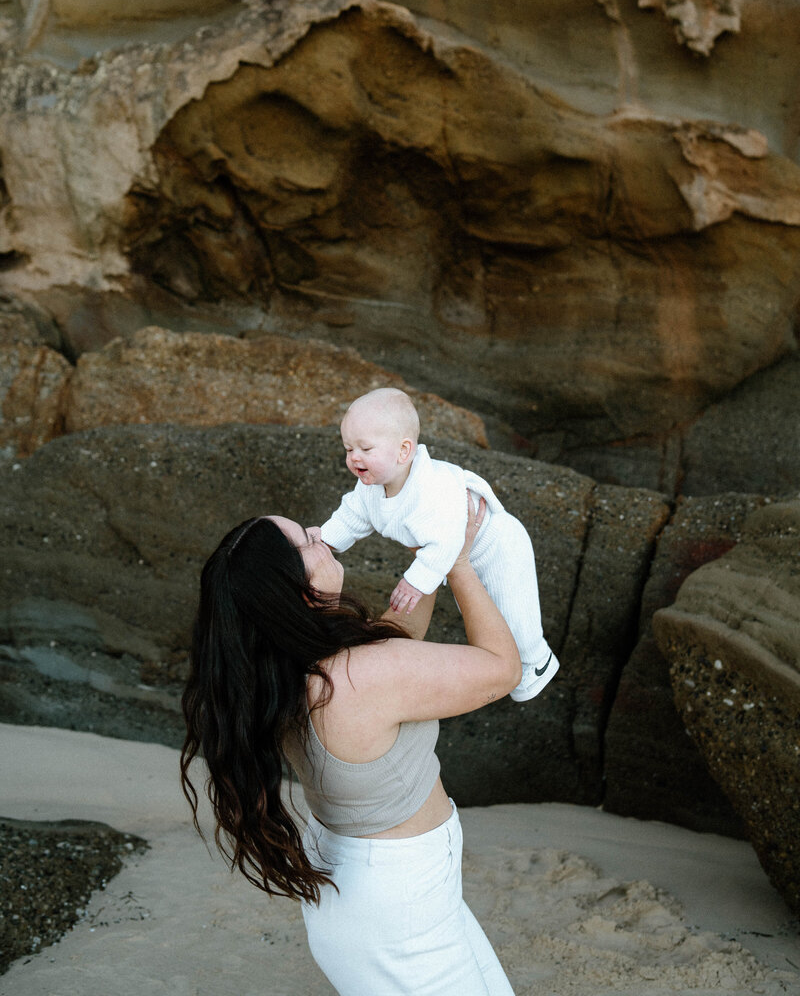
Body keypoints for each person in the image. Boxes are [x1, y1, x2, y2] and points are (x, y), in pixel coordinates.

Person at [181, 497, 519, 995]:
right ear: (289, 588)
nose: (318, 533)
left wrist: (434, 557)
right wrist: (463, 564)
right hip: (395, 904)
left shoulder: (287, 666)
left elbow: (395, 645)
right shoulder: (351, 678)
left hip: (375, 888)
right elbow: (502, 669)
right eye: (303, 541)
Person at [318, 387, 558, 702]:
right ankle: (516, 659)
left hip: (496, 544)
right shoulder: (371, 488)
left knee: (512, 608)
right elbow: (351, 516)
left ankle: (536, 659)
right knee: (481, 612)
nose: (354, 458)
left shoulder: (431, 488)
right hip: (461, 555)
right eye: (348, 449)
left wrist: (415, 581)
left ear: (404, 451)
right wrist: (322, 542)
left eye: (365, 448)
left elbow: (447, 542)